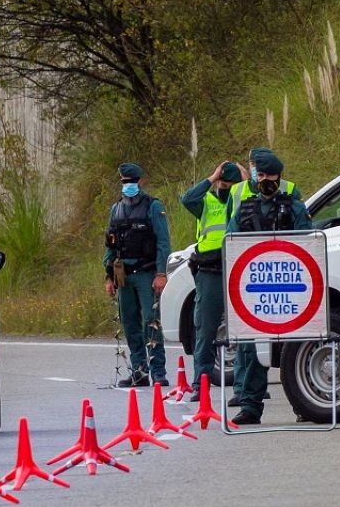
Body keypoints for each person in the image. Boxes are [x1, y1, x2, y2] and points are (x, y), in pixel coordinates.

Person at [227, 147, 310, 425]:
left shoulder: (295, 208)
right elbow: (231, 245)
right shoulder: (244, 209)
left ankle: (304, 405)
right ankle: (250, 406)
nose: (265, 180)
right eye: (260, 175)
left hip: (289, 289)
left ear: (279, 177)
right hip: (256, 291)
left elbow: (307, 247)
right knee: (252, 349)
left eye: (270, 176)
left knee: (294, 350)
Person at [103, 161, 171, 387]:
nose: (128, 186)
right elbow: (111, 246)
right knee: (130, 323)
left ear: (141, 181)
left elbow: (163, 242)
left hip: (146, 272)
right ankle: (139, 371)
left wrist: (161, 273)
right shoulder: (116, 209)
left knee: (150, 323)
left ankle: (158, 371)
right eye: (124, 182)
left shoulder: (153, 206)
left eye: (132, 182)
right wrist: (109, 276)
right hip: (124, 275)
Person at [180, 160, 243, 390]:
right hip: (209, 272)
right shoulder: (205, 201)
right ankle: (201, 383)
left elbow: (255, 197)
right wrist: (211, 177)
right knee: (205, 331)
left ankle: (244, 387)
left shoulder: (241, 199)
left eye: (229, 183)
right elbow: (187, 199)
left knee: (244, 332)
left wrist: (245, 181)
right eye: (222, 183)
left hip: (237, 270)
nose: (224, 187)